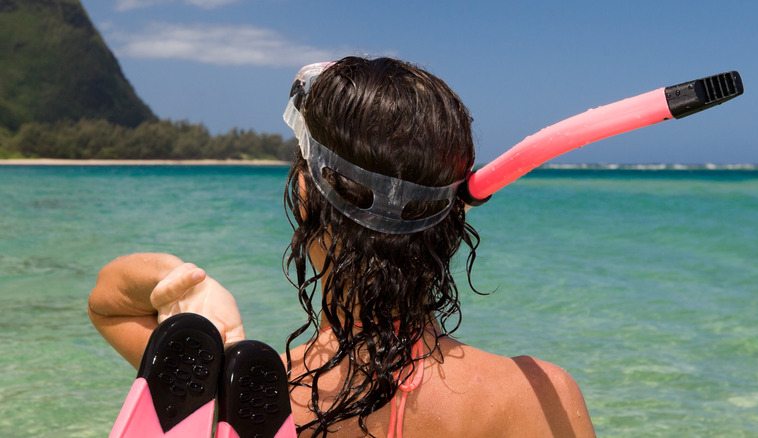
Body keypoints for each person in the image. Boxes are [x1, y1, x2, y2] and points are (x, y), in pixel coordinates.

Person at [89, 56, 596, 438]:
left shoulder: (243, 390)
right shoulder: (534, 397)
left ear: (306, 197)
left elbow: (109, 306)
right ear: (453, 219)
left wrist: (177, 279)